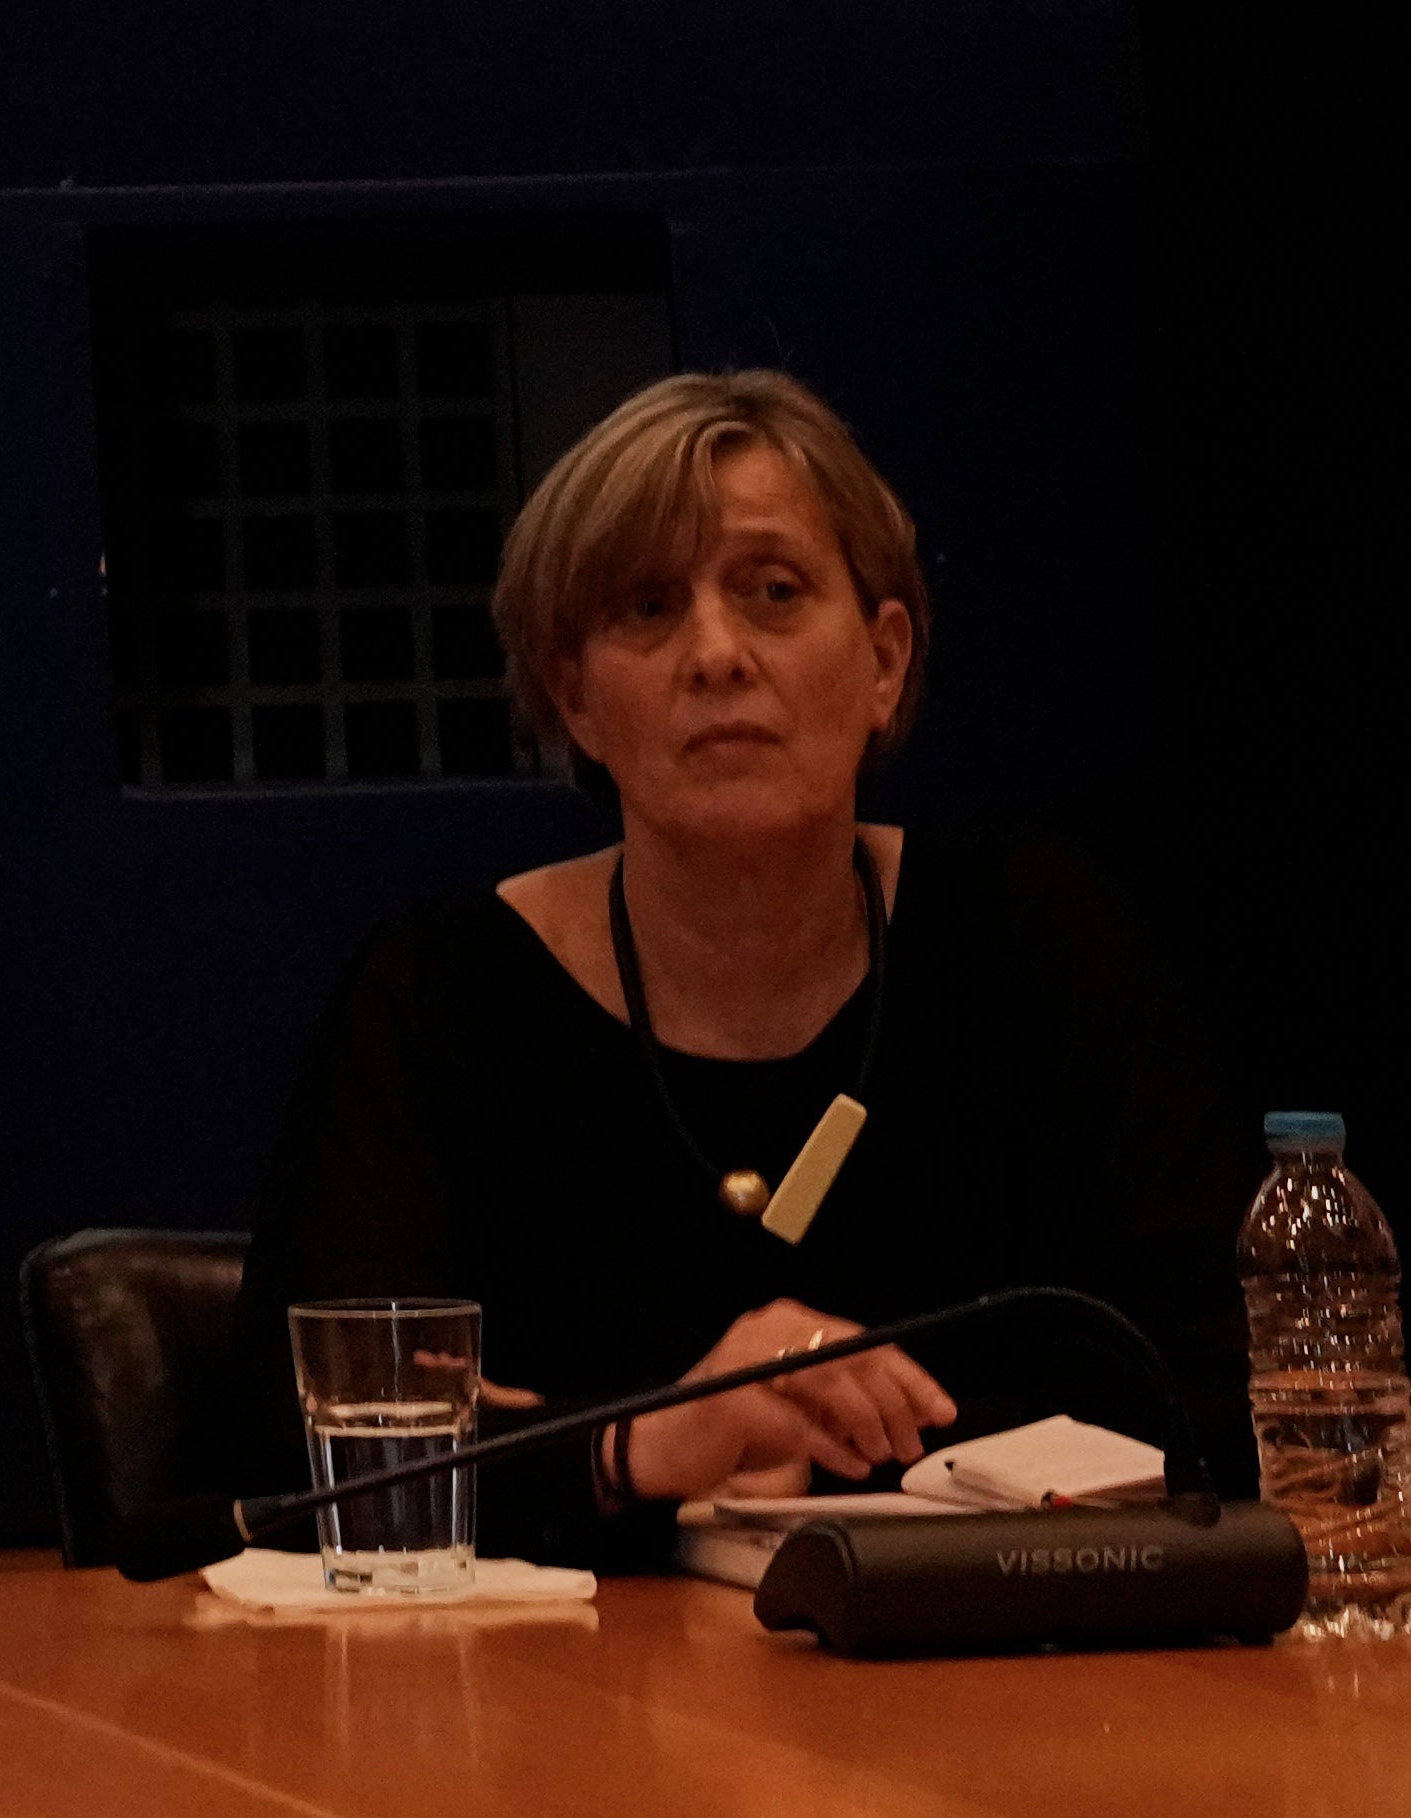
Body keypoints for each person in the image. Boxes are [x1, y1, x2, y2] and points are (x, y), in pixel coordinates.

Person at [256, 373, 1244, 1569]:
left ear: (883, 662)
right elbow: (323, 1460)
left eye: (772, 594)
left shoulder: (1039, 944)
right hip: (563, 1714)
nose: (716, 654)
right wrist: (647, 1445)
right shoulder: (442, 998)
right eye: (647, 609)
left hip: (1000, 1690)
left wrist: (858, 1453)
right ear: (573, 699)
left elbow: (1231, 1396)